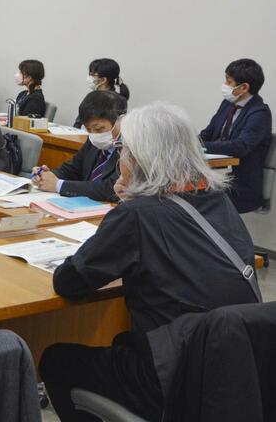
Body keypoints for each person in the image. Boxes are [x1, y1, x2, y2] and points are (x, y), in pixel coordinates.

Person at [39, 102, 259, 422]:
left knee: (56, 359)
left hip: (173, 377)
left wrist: (125, 207)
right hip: (228, 367)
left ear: (137, 157)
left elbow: (69, 281)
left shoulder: (139, 214)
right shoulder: (217, 198)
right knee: (121, 340)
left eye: (122, 150)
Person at [199, 59, 272, 213]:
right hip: (218, 177)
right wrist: (188, 142)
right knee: (178, 193)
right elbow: (208, 134)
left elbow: (240, 147)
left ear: (244, 87)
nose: (224, 84)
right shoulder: (227, 104)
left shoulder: (260, 113)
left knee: (193, 199)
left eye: (228, 81)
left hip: (241, 188)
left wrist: (200, 146)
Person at [33, 91, 127, 202]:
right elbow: (73, 168)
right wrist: (46, 176)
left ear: (119, 121)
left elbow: (111, 188)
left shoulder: (132, 149)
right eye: (88, 129)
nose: (94, 134)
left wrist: (59, 185)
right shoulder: (93, 140)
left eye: (99, 129)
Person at [74, 58, 130, 127]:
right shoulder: (91, 96)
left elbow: (112, 129)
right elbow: (78, 122)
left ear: (103, 80)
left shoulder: (118, 101)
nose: (89, 77)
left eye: (92, 74)